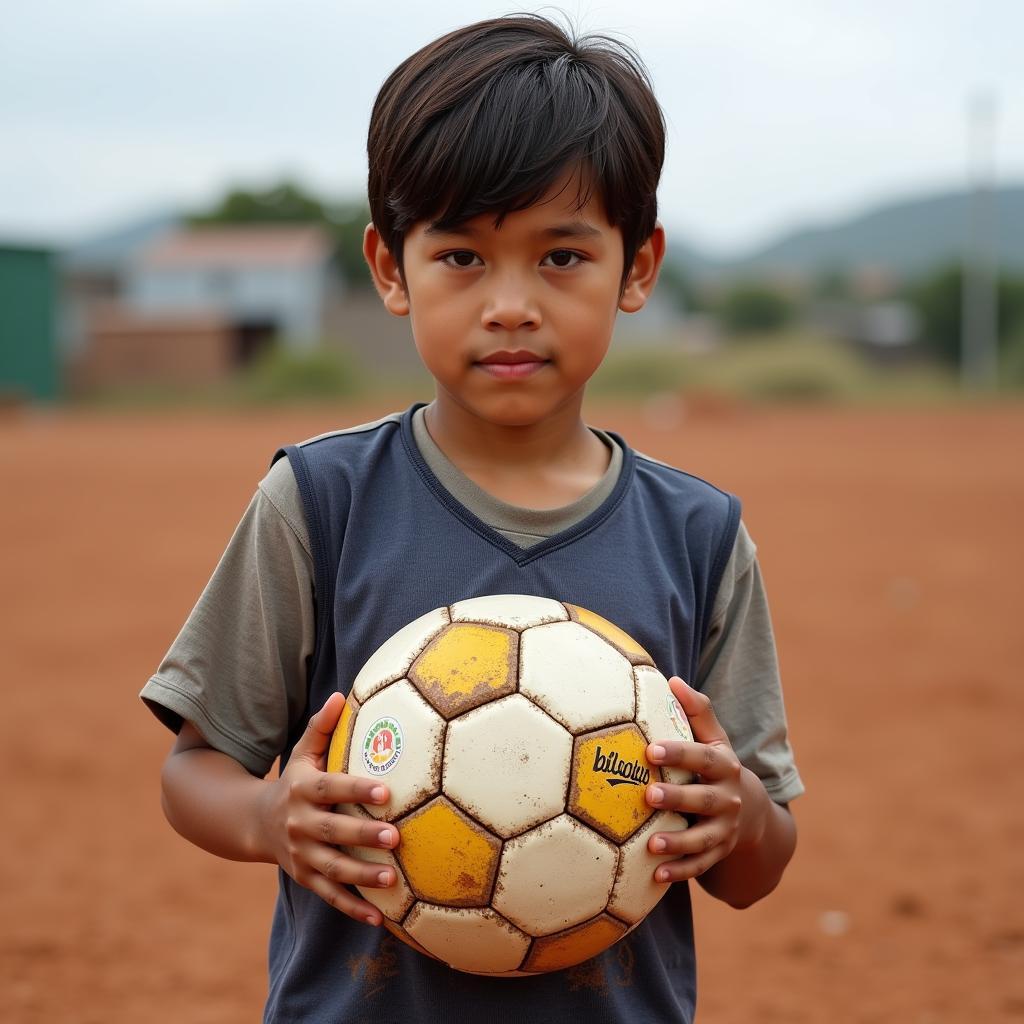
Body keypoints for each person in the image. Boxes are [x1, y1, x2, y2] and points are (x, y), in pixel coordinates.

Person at [142, 13, 803, 1023]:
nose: (509, 305)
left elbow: (757, 864)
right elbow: (195, 769)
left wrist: (737, 815)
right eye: (460, 256)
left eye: (561, 257)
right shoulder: (319, 501)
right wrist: (271, 816)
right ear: (389, 267)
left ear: (637, 267)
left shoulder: (698, 534)